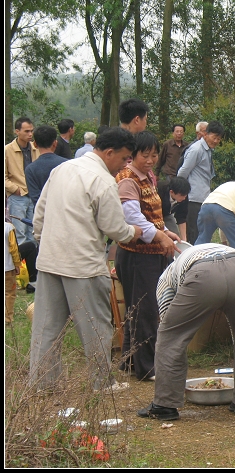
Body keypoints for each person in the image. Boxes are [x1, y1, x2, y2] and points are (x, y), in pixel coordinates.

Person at [29, 127, 143, 392]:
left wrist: (46, 243)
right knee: (96, 327)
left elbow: (39, 215)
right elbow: (115, 228)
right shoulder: (103, 180)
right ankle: (102, 383)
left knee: (47, 328)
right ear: (109, 152)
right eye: (124, 158)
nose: (124, 165)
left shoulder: (62, 169)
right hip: (83, 266)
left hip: (50, 261)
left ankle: (43, 384)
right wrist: (134, 232)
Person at [137, 243, 235, 421]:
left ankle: (165, 405)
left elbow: (170, 327)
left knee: (170, 337)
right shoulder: (194, 254)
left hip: (204, 274)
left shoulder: (165, 279)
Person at [115, 131, 180, 381]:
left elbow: (150, 215)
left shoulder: (147, 177)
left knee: (138, 308)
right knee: (146, 310)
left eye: (154, 155)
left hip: (149, 253)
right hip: (137, 255)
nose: (151, 160)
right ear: (133, 155)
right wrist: (159, 236)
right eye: (145, 155)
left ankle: (131, 361)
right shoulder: (128, 179)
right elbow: (132, 217)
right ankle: (146, 367)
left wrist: (165, 231)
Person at [177, 121, 225, 244]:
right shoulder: (196, 149)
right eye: (214, 137)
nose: (216, 141)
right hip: (193, 198)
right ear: (206, 134)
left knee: (202, 231)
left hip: (203, 197)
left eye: (219, 139)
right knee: (194, 232)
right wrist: (182, 193)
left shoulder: (207, 150)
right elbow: (182, 172)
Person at [194, 172, 235, 255]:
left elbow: (221, 219)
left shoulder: (233, 185)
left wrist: (224, 240)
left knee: (202, 240)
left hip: (206, 207)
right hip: (223, 210)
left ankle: (193, 260)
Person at [5, 117, 39, 245]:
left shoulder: (35, 149)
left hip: (33, 195)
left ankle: (32, 257)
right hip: (18, 196)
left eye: (31, 131)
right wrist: (15, 189)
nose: (30, 134)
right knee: (20, 233)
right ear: (17, 131)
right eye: (26, 131)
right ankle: (21, 258)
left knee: (34, 232)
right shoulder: (7, 150)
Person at [25, 125, 67, 206]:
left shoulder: (30, 169)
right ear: (55, 143)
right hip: (64, 210)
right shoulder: (66, 164)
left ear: (35, 144)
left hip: (43, 212)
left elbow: (35, 198)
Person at [157, 176, 191, 241]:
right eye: (182, 195)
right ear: (171, 192)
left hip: (167, 215)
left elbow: (181, 218)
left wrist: (184, 239)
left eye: (185, 195)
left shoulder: (183, 197)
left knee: (175, 236)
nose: (184, 198)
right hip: (154, 215)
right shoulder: (160, 191)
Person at [5, 221, 22, 324]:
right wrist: (17, 263)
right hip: (7, 267)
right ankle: (7, 318)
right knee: (9, 293)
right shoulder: (8, 227)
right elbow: (14, 248)